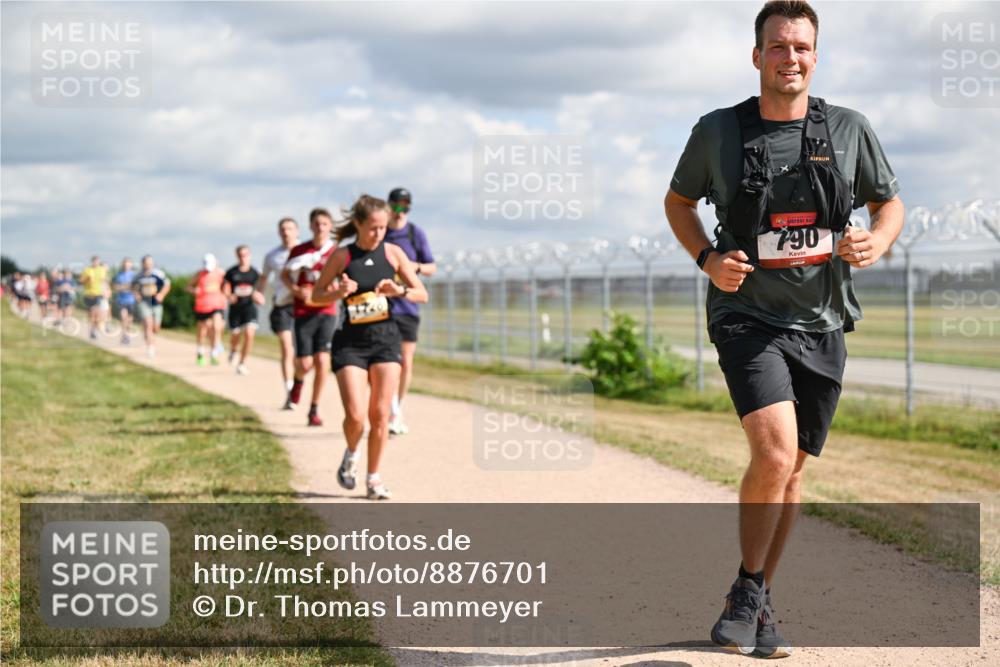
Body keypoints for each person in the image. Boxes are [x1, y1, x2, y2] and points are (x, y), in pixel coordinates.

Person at [663, 0, 903, 658]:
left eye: (800, 47)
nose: (789, 58)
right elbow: (678, 202)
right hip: (746, 316)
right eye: (777, 46)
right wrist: (708, 260)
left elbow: (889, 201)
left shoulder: (849, 129)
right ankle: (748, 590)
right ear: (756, 55)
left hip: (823, 321)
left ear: (815, 56)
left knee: (792, 473)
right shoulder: (718, 132)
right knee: (773, 453)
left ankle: (758, 594)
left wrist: (877, 240)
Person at [312, 194, 427, 500]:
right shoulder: (342, 256)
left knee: (379, 415)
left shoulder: (393, 253)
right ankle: (351, 453)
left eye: (383, 228)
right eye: (373, 228)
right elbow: (316, 295)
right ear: (359, 225)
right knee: (356, 416)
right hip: (351, 342)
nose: (379, 233)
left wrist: (399, 290)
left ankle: (373, 478)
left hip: (385, 338)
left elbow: (421, 294)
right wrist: (337, 291)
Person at [383, 187, 437, 435]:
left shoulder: (415, 234)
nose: (400, 211)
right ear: (388, 206)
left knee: (405, 361)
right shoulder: (381, 233)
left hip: (408, 305)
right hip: (382, 307)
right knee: (386, 361)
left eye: (405, 206)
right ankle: (388, 407)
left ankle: (397, 408)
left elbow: (431, 267)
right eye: (396, 205)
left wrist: (414, 267)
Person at [282, 209, 339, 426]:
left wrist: (336, 288)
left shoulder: (335, 252)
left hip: (326, 310)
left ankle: (314, 408)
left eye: (324, 223)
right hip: (303, 311)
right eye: (316, 223)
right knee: (305, 364)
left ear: (330, 226)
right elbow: (285, 275)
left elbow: (345, 278)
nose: (320, 227)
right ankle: (297, 383)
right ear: (310, 226)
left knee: (323, 359)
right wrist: (296, 290)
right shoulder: (299, 250)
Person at [258, 217, 300, 407]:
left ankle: (297, 385)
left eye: (290, 228)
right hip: (282, 305)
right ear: (278, 232)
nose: (286, 232)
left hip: (303, 304)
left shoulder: (305, 251)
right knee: (286, 347)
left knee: (302, 354)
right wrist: (258, 292)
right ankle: (289, 390)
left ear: (297, 231)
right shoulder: (271, 256)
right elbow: (264, 278)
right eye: (283, 228)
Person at [223, 245, 264, 375]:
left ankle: (242, 363)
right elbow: (224, 287)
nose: (243, 257)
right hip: (236, 308)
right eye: (241, 255)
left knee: (249, 333)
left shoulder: (255, 272)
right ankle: (234, 350)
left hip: (249, 307)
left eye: (245, 254)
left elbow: (260, 287)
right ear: (237, 256)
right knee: (235, 335)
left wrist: (259, 296)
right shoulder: (231, 272)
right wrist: (229, 296)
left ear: (250, 255)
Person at [187, 253, 227, 366]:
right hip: (202, 306)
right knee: (202, 331)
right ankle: (200, 351)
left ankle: (214, 353)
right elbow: (188, 286)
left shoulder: (220, 273)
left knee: (217, 326)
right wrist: (194, 290)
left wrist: (226, 296)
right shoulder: (199, 274)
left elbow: (227, 286)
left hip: (217, 305)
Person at [132, 255, 171, 358]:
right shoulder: (138, 276)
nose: (148, 265)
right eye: (146, 263)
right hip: (144, 303)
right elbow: (133, 287)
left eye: (150, 262)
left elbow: (167, 284)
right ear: (143, 264)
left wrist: (161, 294)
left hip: (156, 303)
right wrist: (137, 295)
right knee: (148, 324)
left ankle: (149, 336)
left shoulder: (158, 274)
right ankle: (151, 347)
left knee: (156, 327)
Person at [79, 256, 109, 339]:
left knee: (96, 313)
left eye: (97, 261)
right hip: (89, 294)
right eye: (94, 261)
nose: (96, 263)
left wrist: (106, 291)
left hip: (98, 294)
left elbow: (105, 281)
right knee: (91, 315)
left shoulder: (102, 270)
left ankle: (93, 330)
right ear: (92, 262)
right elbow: (81, 281)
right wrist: (87, 279)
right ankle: (93, 329)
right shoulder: (87, 270)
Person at [112, 258, 137, 345]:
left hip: (131, 300)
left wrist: (128, 287)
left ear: (131, 265)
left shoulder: (134, 275)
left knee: (129, 320)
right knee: (123, 318)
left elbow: (136, 287)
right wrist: (123, 287)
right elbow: (115, 286)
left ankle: (127, 333)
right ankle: (124, 335)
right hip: (121, 300)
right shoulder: (118, 275)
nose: (126, 265)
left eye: (128, 263)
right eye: (125, 263)